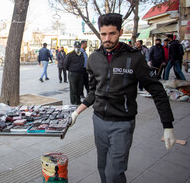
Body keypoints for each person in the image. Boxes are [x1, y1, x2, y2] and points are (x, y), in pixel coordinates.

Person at [70, 13, 176, 183]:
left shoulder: (134, 58)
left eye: (112, 33)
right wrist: (77, 112)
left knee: (114, 173)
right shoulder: (94, 58)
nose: (107, 38)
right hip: (98, 121)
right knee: (102, 168)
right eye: (103, 34)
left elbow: (157, 90)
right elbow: (92, 92)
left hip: (122, 123)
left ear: (120, 32)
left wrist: (168, 125)